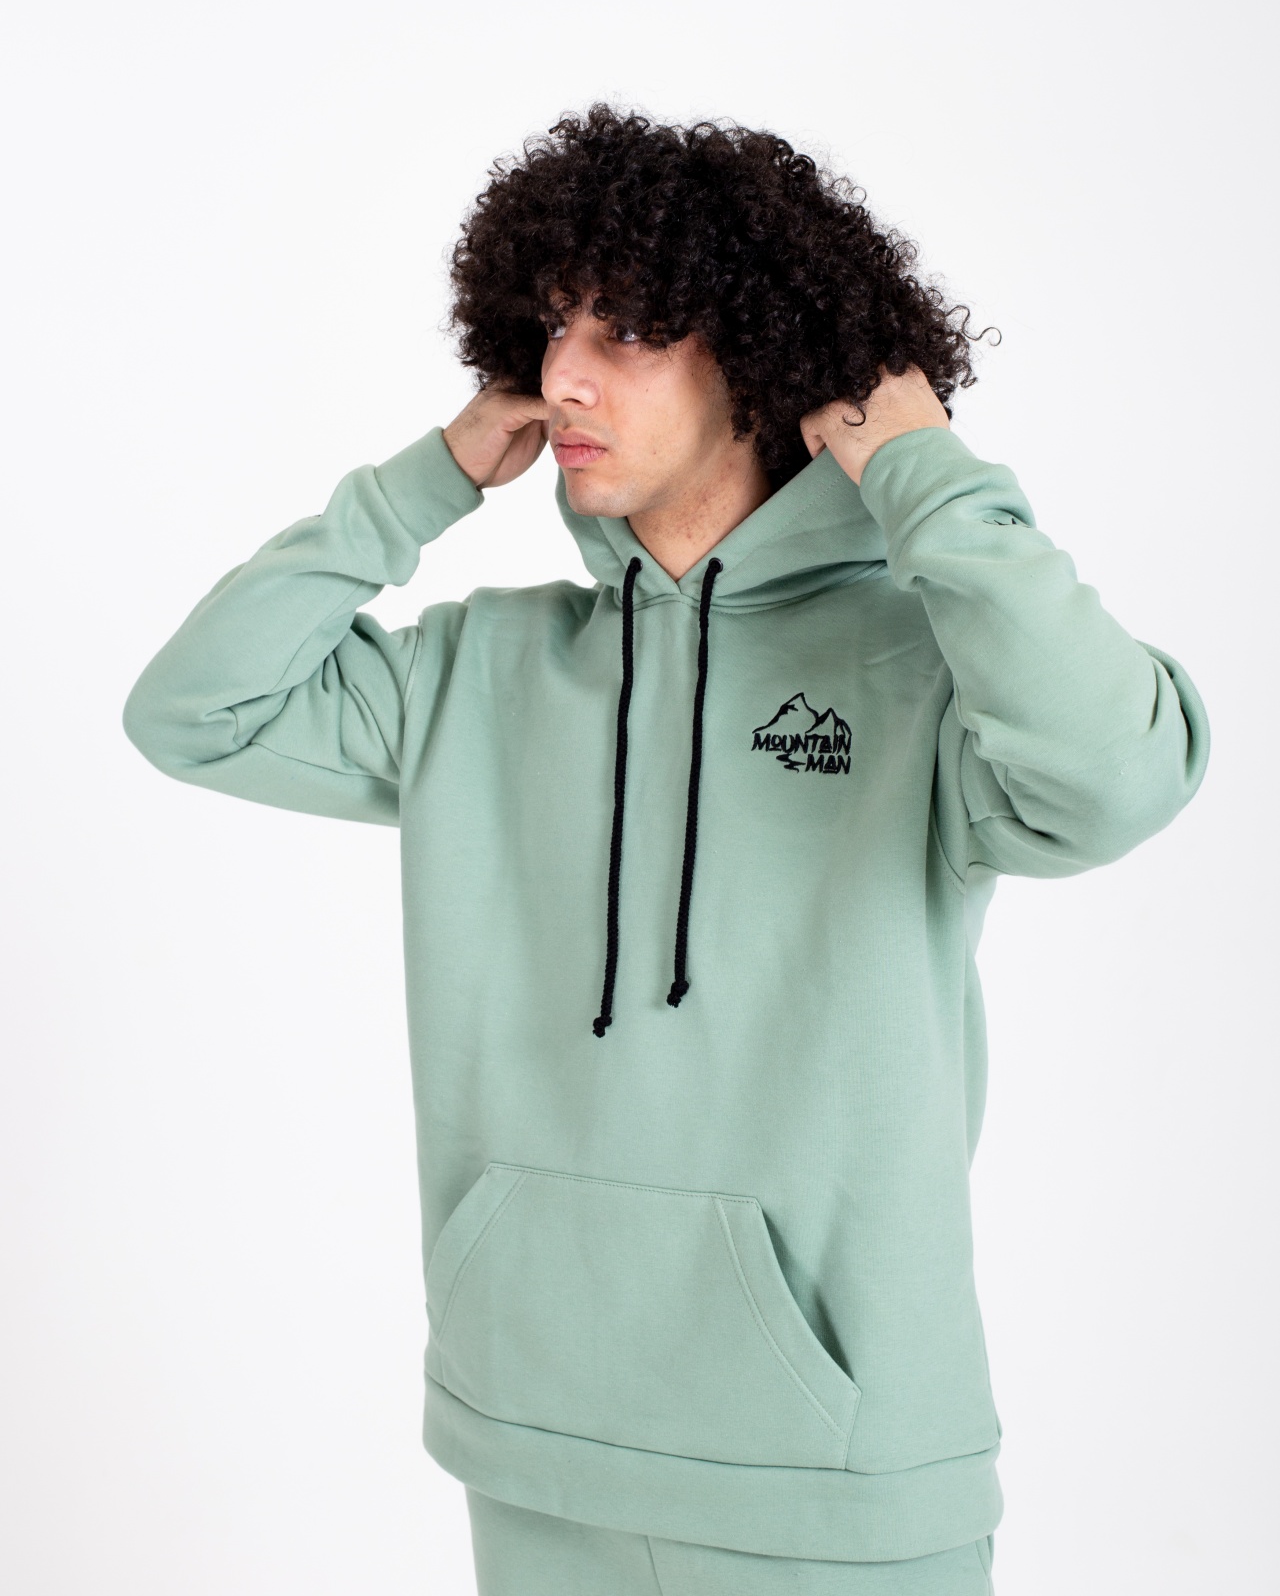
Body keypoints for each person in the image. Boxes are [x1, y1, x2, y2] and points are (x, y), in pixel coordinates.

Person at [121, 105, 1210, 1595]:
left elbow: (1121, 775)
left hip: (837, 1477)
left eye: (626, 330)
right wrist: (422, 483)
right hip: (534, 1436)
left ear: (760, 358)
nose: (563, 376)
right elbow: (193, 711)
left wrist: (930, 479)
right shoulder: (476, 672)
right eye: (551, 327)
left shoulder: (930, 668)